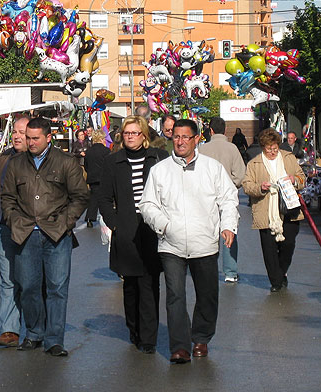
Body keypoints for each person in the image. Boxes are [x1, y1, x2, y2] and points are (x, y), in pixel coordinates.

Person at [139, 119, 239, 364]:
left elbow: (228, 199)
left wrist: (228, 225)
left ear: (196, 139)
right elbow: (147, 204)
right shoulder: (160, 170)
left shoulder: (212, 168)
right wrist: (164, 225)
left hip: (204, 242)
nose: (180, 141)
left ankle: (201, 338)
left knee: (207, 295)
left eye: (185, 137)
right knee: (175, 296)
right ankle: (180, 347)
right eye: (176, 137)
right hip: (171, 244)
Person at [1, 117, 88, 357]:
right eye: (28, 138)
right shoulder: (16, 164)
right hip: (25, 234)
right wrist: (14, 220)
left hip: (56, 235)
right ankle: (34, 333)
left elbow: (80, 196)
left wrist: (65, 222)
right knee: (28, 287)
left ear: (48, 138)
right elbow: (7, 197)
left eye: (35, 138)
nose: (30, 142)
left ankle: (54, 339)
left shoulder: (65, 162)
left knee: (57, 288)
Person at [98, 116, 168, 354]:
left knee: (149, 283)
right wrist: (114, 223)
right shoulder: (113, 162)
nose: (129, 137)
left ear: (144, 136)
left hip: (152, 229)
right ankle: (134, 328)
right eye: (126, 133)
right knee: (130, 285)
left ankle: (148, 337)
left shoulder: (158, 158)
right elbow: (104, 197)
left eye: (135, 133)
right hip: (126, 229)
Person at [242, 128, 306, 292]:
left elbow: (302, 178)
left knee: (288, 244)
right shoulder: (254, 163)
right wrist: (260, 187)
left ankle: (281, 271)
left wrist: (294, 179)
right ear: (263, 147)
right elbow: (247, 186)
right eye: (269, 148)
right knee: (269, 249)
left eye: (275, 148)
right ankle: (276, 281)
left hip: (289, 208)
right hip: (266, 210)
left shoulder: (288, 158)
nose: (272, 151)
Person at [0, 116, 29, 348]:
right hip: (4, 228)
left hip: (33, 230)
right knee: (8, 280)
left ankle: (36, 328)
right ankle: (10, 330)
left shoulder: (40, 160)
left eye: (21, 132)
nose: (16, 136)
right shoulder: (1, 159)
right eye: (14, 131)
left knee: (33, 280)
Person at [199, 117, 246, 283]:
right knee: (229, 231)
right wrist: (231, 186)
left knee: (207, 233)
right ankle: (230, 272)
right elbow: (240, 174)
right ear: (225, 130)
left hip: (207, 197)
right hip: (227, 197)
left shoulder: (203, 149)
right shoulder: (232, 149)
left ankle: (207, 270)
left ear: (210, 130)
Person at [84, 129, 111, 228]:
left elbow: (86, 165)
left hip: (92, 177)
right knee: (104, 198)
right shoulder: (106, 151)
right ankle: (106, 217)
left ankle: (90, 217)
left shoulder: (89, 151)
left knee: (94, 197)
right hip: (104, 177)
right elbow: (109, 165)